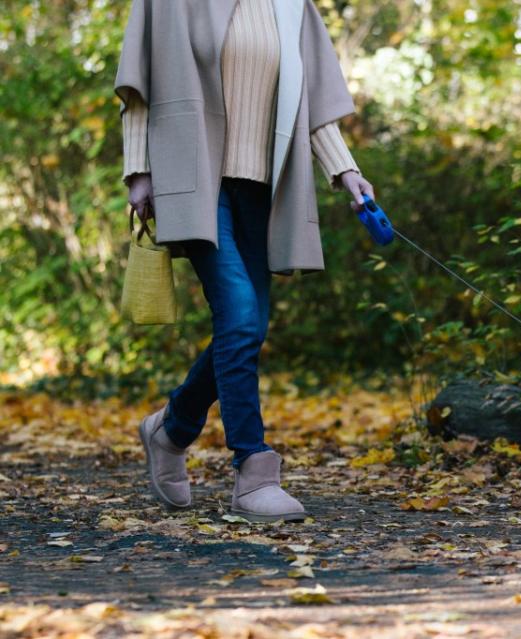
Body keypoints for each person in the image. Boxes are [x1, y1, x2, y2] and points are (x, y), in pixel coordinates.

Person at [114, 0, 375, 522]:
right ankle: (254, 468)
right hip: (196, 178)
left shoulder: (292, 8)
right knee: (238, 312)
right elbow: (141, 86)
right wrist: (138, 169)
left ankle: (172, 429)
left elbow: (310, 106)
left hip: (264, 187)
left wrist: (348, 174)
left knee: (249, 325)